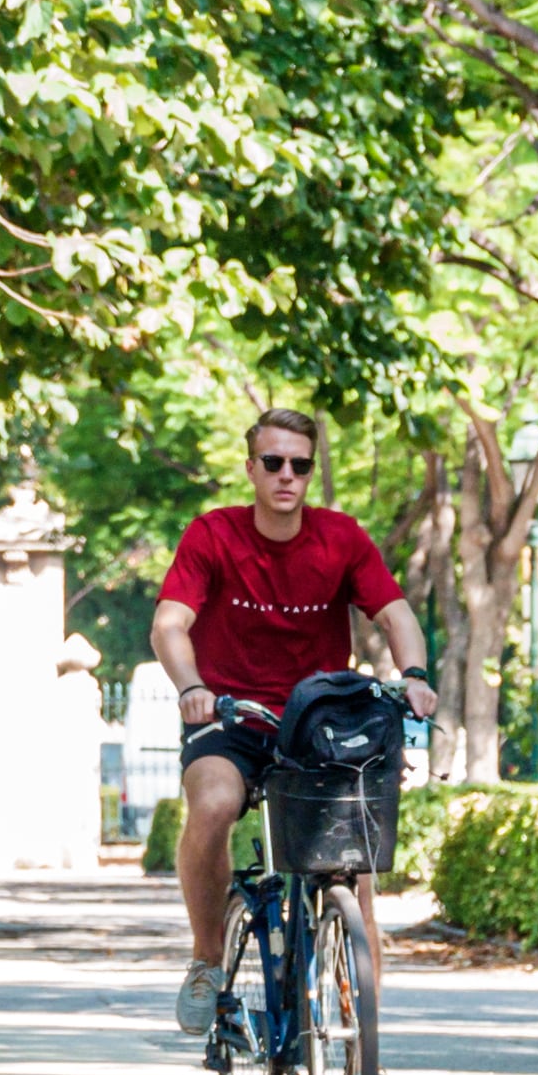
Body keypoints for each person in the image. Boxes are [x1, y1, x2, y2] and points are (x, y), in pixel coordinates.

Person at [151, 407, 440, 1039]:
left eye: (300, 465)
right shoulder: (213, 535)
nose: (287, 475)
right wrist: (192, 687)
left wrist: (415, 675)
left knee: (356, 885)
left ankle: (366, 1056)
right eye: (274, 462)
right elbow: (170, 623)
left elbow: (394, 614)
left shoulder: (341, 538)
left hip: (318, 723)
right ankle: (206, 958)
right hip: (230, 715)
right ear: (251, 468)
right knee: (215, 803)